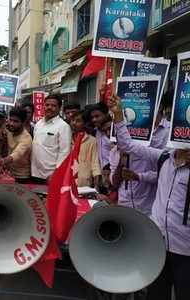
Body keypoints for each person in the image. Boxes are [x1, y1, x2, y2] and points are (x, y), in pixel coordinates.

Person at [109, 94, 190, 300]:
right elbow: (128, 146)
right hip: (157, 244)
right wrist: (118, 115)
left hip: (186, 249)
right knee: (156, 294)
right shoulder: (164, 157)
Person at [31, 94, 71, 184]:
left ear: (59, 108)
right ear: (43, 106)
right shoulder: (38, 124)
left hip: (50, 175)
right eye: (47, 105)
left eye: (53, 106)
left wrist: (56, 173)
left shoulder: (63, 126)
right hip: (34, 173)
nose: (49, 107)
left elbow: (64, 153)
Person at [0, 108, 32, 183]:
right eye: (10, 120)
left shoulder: (26, 139)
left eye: (16, 121)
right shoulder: (9, 130)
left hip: (21, 177)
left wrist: (1, 161)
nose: (11, 123)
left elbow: (16, 154)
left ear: (23, 123)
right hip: (8, 173)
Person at [71, 110, 101, 187]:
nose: (74, 123)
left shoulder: (92, 141)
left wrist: (96, 186)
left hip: (84, 184)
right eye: (73, 120)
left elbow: (95, 164)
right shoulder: (66, 138)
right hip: (67, 182)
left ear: (84, 123)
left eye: (78, 121)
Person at [89, 102, 112, 169]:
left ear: (106, 114)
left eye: (97, 116)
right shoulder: (95, 132)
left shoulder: (115, 131)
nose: (94, 120)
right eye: (92, 117)